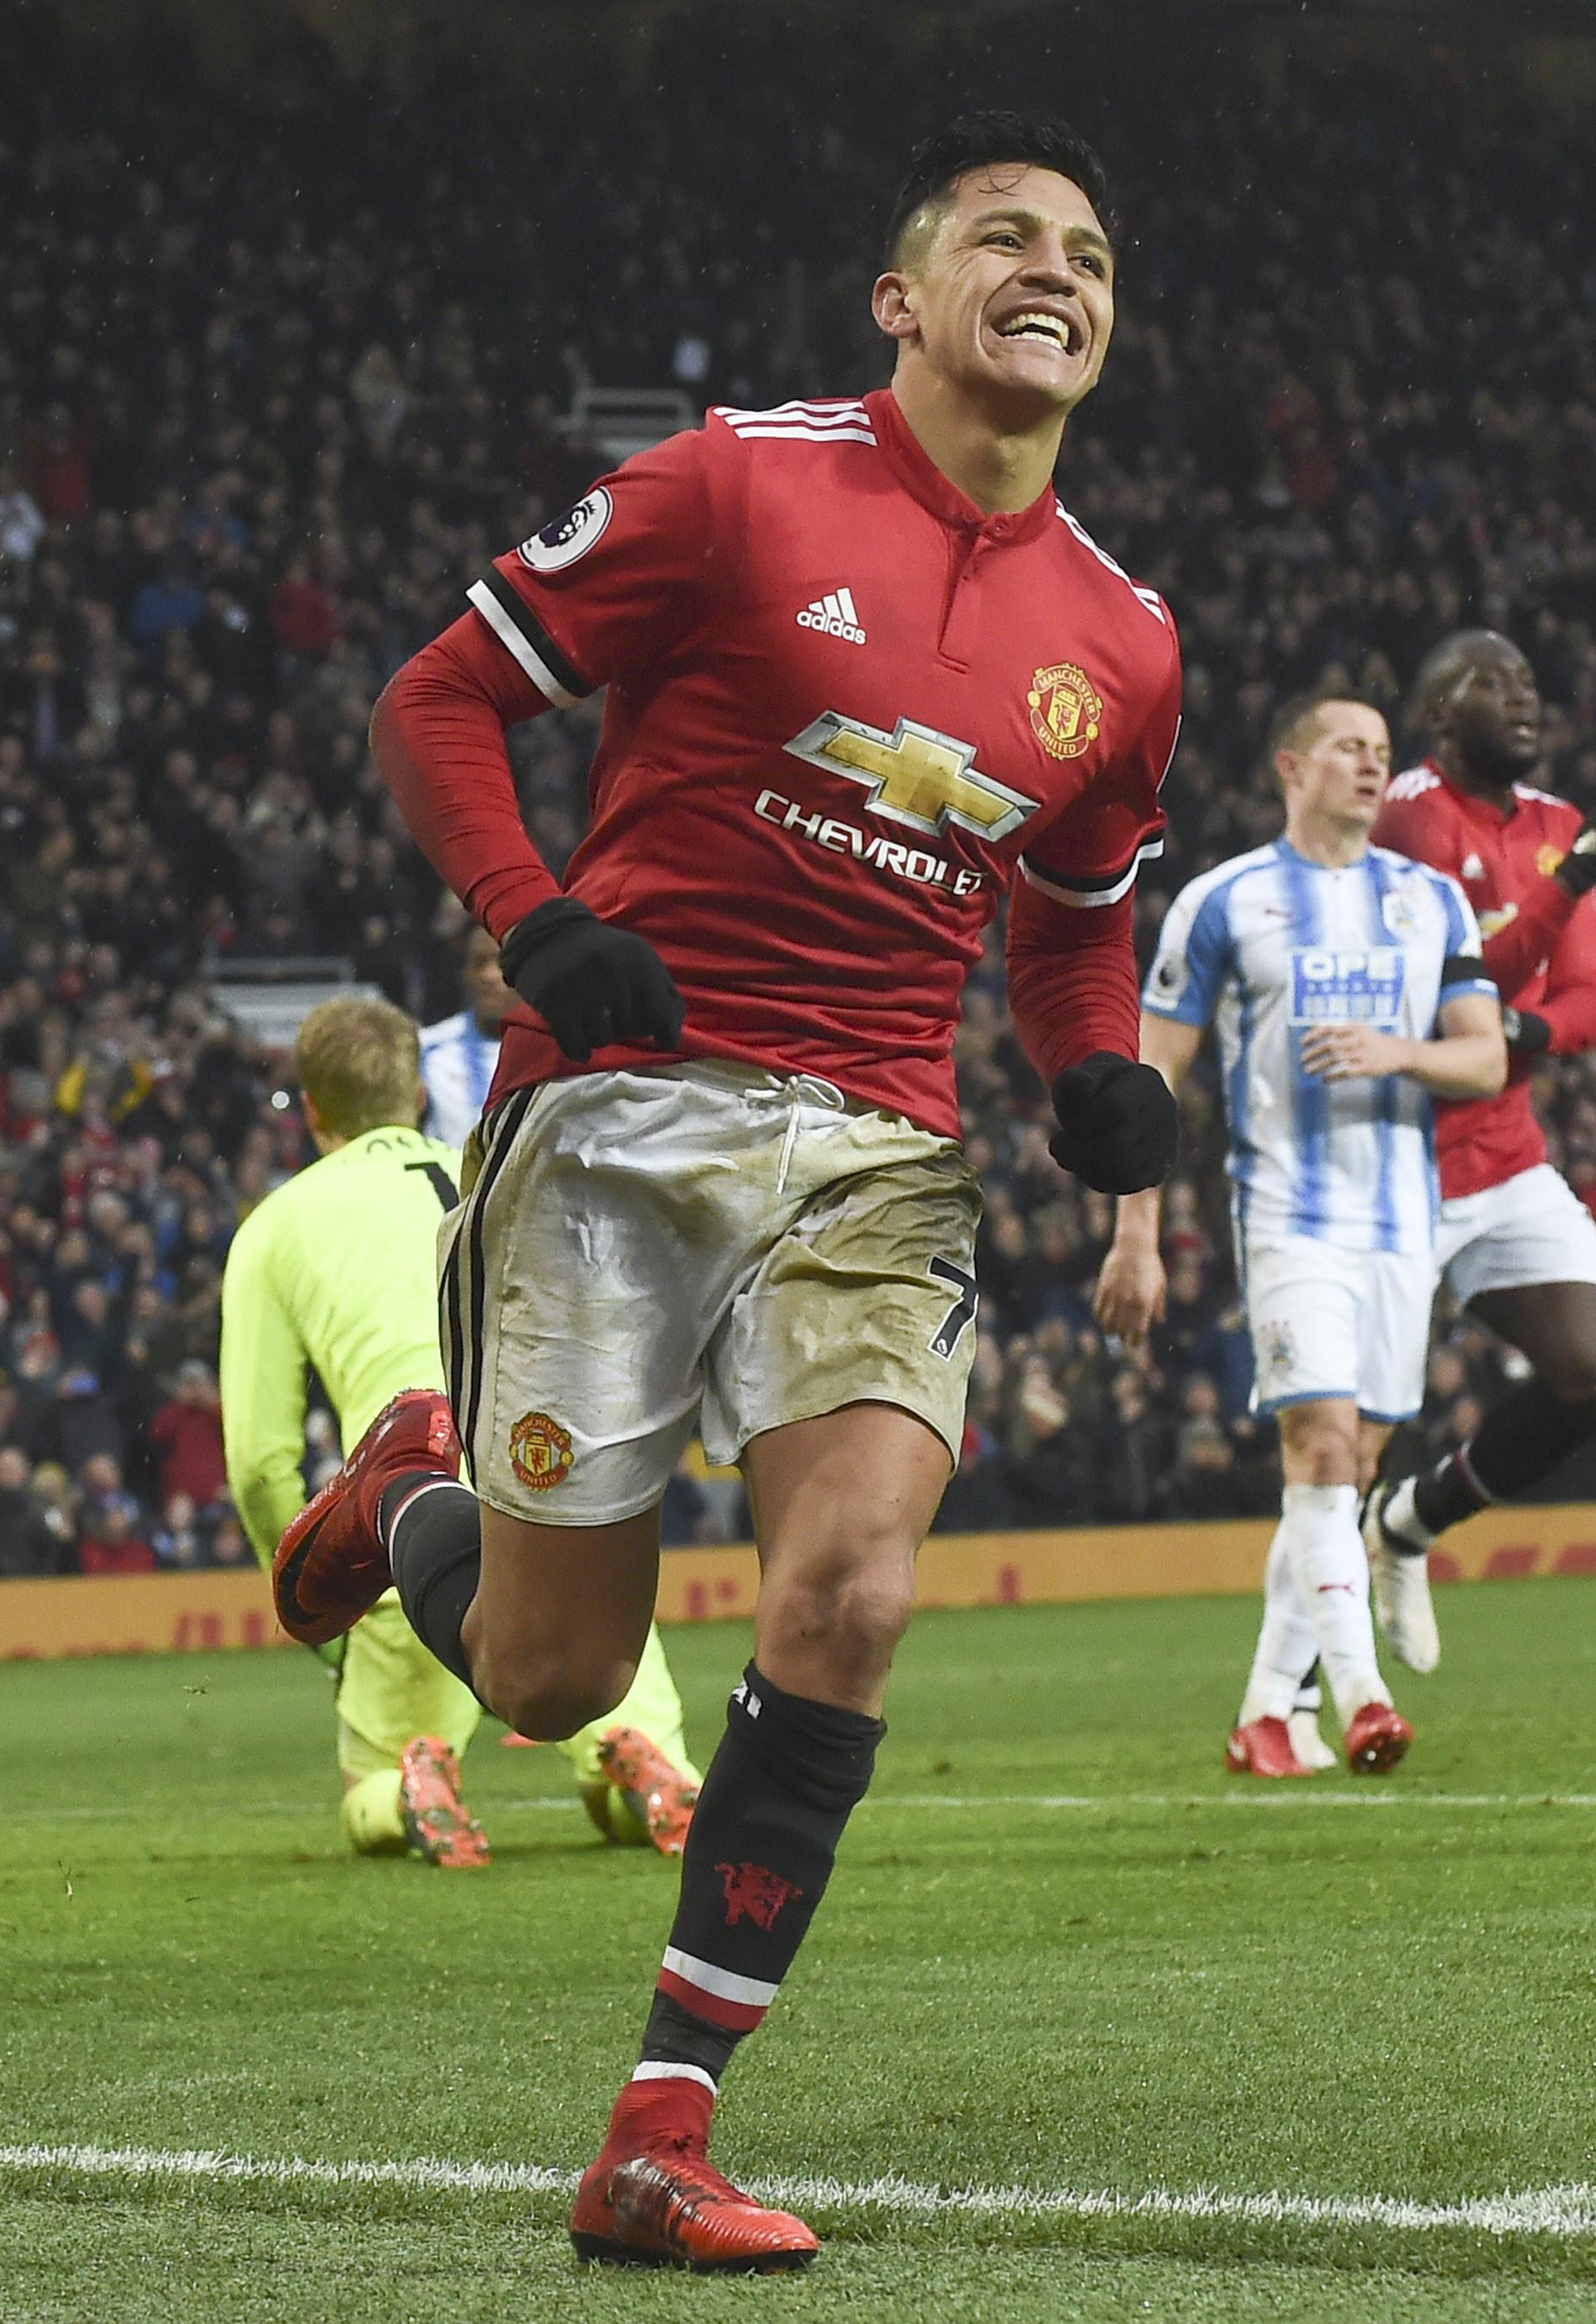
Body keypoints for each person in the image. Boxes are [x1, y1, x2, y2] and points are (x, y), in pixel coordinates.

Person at [272, 115, 1182, 2270]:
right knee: (546, 1683)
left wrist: (1094, 1069)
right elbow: (438, 697)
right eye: (1003, 238)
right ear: (901, 298)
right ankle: (414, 1491)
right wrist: (535, 917)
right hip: (620, 1109)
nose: (1054, 272)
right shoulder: (733, 484)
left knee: (850, 1592)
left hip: (878, 1149)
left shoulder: (1126, 645)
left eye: (1087, 254)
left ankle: (661, 2128)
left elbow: (1072, 923)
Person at [1097, 694, 1501, 1777]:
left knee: (1349, 1466)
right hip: (1286, 1217)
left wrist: (1393, 1052)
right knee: (1321, 1446)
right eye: (1347, 748)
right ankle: (1363, 1698)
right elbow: (1152, 1077)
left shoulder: (1430, 902)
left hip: (1401, 1225)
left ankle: (1268, 1713)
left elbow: (1485, 1057)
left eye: (1382, 752)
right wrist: (1135, 1233)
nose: (1370, 766)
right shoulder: (1224, 902)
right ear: (1291, 765)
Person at [225, 992, 699, 1866]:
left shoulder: (272, 1227)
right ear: (415, 1095)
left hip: (406, 1528)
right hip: (552, 1508)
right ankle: (635, 1761)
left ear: (313, 1110)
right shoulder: (496, 1175)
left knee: (368, 1787)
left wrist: (318, 1595)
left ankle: (412, 1782)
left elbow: (260, 1462)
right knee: (637, 1749)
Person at [1355, 627, 1596, 1671]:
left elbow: (1586, 1006)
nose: (1522, 696)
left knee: (1594, 1377)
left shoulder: (1557, 825)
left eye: (1528, 681)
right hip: (1389, 1156)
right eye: (1492, 682)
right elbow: (1458, 976)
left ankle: (1409, 1524)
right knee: (1350, 1429)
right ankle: (1294, 1684)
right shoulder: (1405, 814)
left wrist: (1505, 1034)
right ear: (1439, 712)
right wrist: (1565, 892)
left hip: (1502, 1153)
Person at [414, 923, 516, 1151]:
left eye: (502, 964)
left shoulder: (556, 1052)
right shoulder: (426, 1049)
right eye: (479, 963)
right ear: (464, 974)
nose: (489, 976)